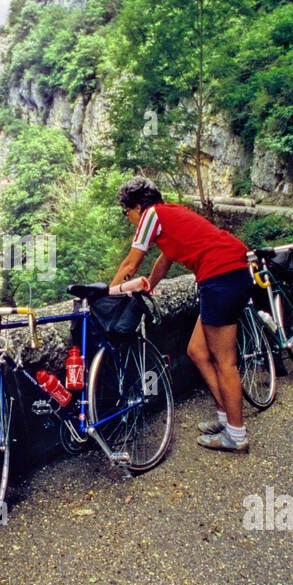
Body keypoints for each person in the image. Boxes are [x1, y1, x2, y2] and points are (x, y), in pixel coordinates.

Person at [110, 177, 252, 453]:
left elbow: (131, 262)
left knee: (225, 362)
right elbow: (165, 259)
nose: (127, 218)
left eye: (125, 212)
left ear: (137, 207)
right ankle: (225, 420)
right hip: (232, 273)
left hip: (220, 276)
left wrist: (107, 295)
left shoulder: (151, 215)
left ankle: (237, 436)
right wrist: (150, 284)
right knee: (197, 351)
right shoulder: (171, 214)